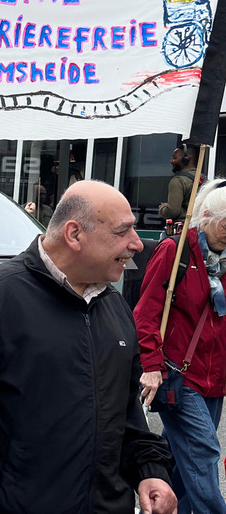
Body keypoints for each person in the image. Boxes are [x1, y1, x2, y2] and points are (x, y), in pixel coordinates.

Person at [0, 180, 176, 513]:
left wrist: (150, 473)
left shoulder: (115, 306)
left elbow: (126, 415)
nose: (137, 243)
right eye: (123, 231)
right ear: (74, 234)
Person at [136, 179, 226, 514]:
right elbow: (145, 312)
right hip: (179, 375)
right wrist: (150, 365)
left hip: (215, 377)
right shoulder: (176, 252)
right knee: (202, 452)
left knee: (182, 457)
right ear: (206, 215)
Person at [160, 142, 200, 225]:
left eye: (175, 158)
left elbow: (173, 212)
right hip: (200, 227)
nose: (172, 161)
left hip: (183, 230)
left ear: (186, 158)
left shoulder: (178, 181)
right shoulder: (203, 178)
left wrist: (162, 208)